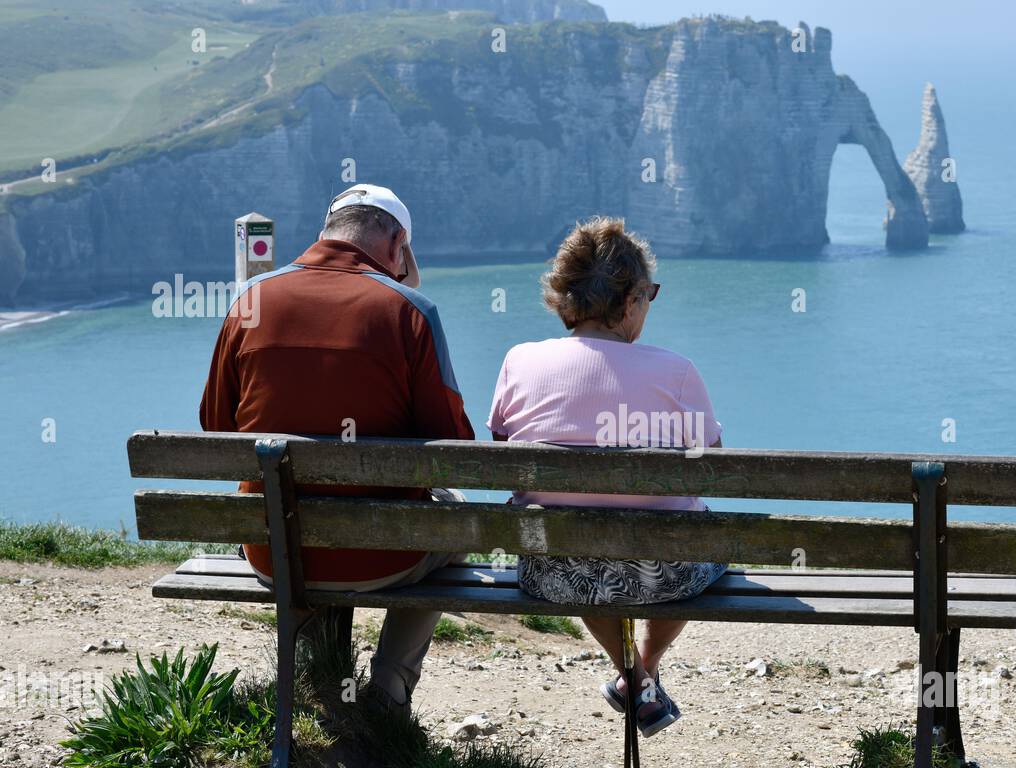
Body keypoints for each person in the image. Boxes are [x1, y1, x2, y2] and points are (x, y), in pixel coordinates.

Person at [200, 184, 475, 718]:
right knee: (457, 513)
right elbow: (452, 449)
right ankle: (389, 691)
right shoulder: (411, 311)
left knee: (290, 502)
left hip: (275, 555)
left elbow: (216, 426)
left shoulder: (250, 300)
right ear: (398, 245)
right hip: (381, 556)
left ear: (326, 230)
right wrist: (403, 290)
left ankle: (316, 680)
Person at [486, 216, 725, 737]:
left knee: (580, 545)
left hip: (553, 572)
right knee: (688, 535)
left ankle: (633, 679)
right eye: (649, 295)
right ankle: (643, 673)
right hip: (665, 575)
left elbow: (504, 455)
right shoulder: (676, 371)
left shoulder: (519, 361)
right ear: (631, 299)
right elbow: (713, 467)